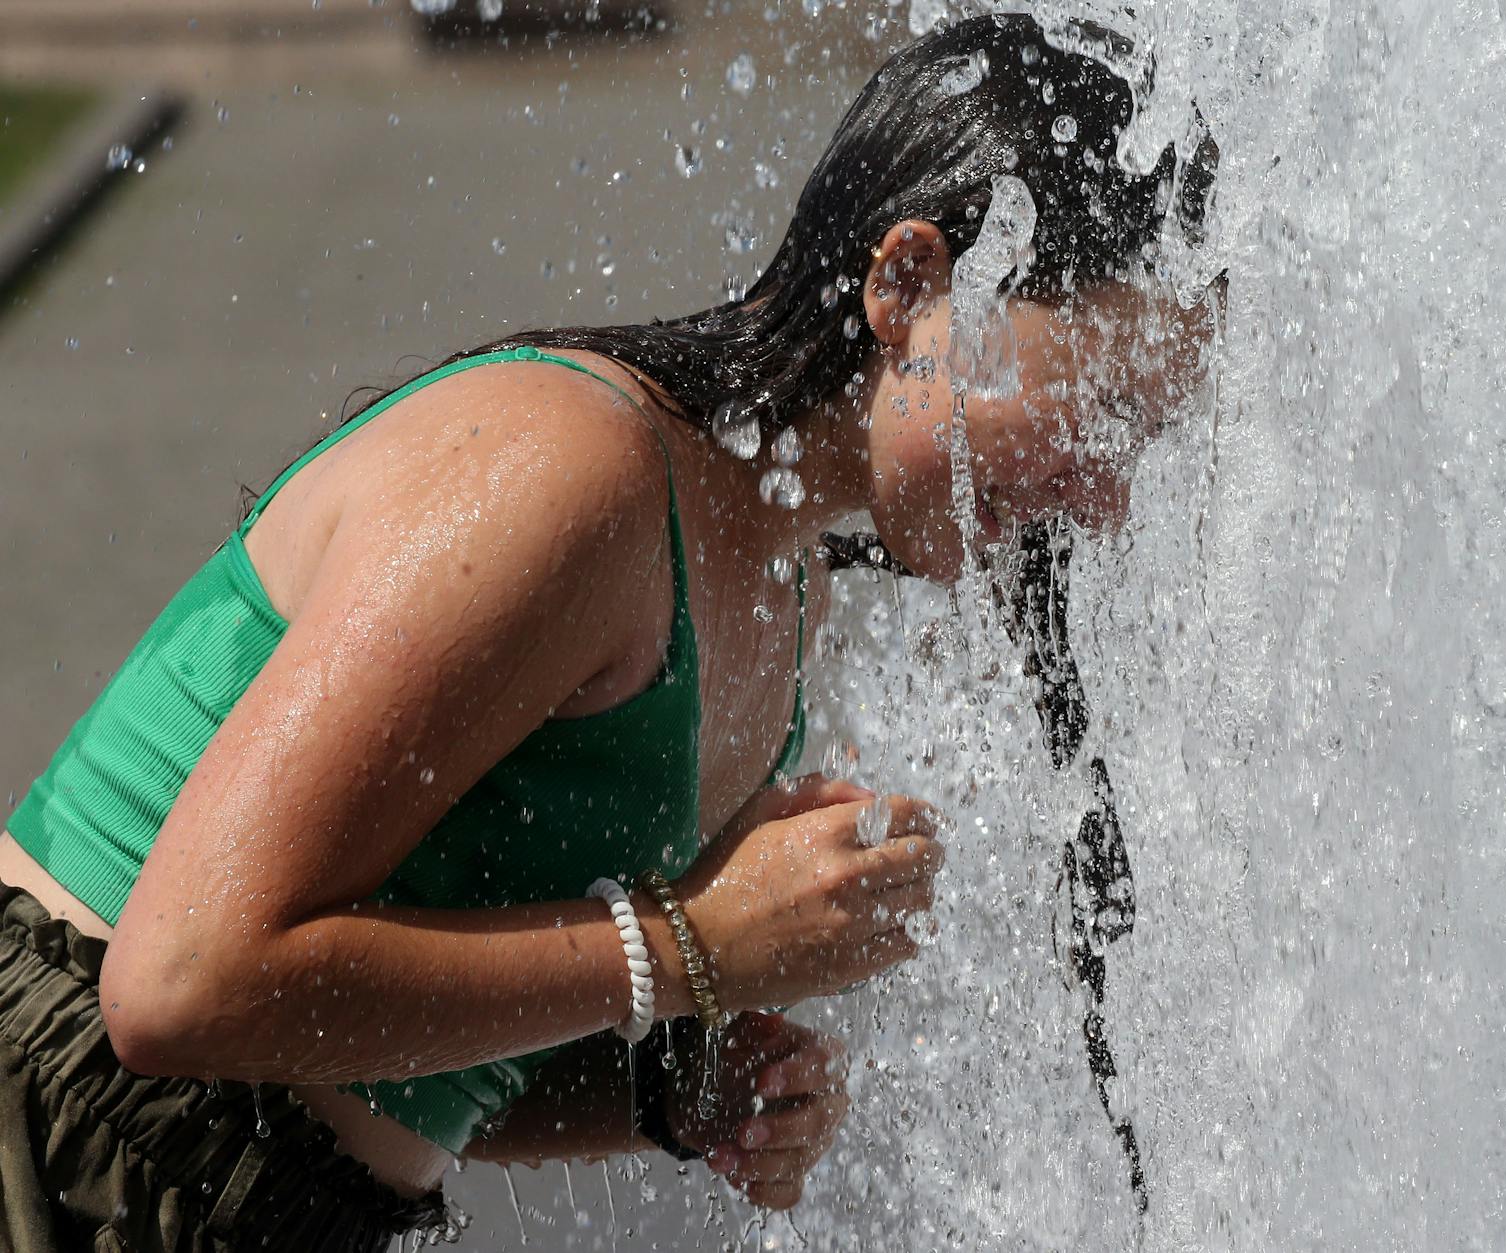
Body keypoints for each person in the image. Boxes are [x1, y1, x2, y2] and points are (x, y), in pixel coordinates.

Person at [0, 11, 1219, 1250]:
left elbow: (369, 1041)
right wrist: (685, 947)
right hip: (61, 1141)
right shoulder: (575, 476)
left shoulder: (782, 588)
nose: (1105, 492)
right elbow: (179, 985)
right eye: (1097, 401)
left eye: (1140, 437)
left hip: (244, 1199)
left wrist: (669, 1094)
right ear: (907, 284)